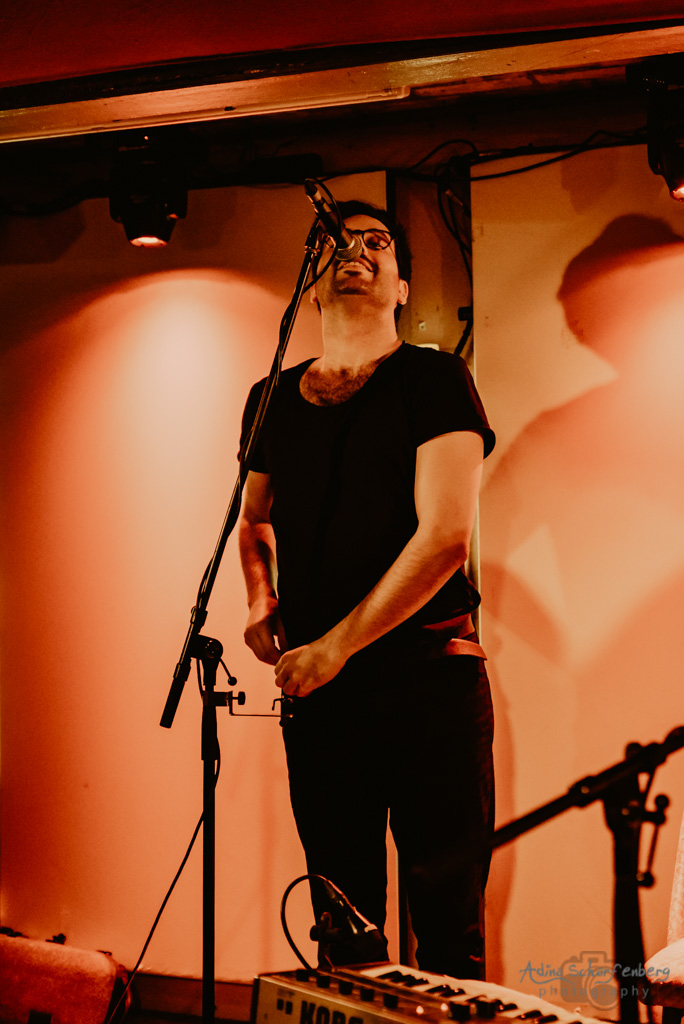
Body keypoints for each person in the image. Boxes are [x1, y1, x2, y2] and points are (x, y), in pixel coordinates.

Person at [238, 200, 495, 979]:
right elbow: (254, 519)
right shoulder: (270, 397)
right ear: (313, 284)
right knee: (342, 921)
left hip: (428, 681)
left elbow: (444, 538)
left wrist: (336, 648)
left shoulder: (435, 378)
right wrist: (260, 597)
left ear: (402, 286)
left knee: (446, 922)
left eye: (376, 241)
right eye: (336, 243)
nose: (355, 250)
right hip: (323, 693)